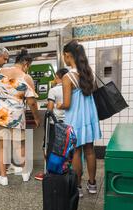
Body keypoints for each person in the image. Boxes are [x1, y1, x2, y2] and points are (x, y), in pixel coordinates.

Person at [0, 48, 41, 186]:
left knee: (1, 147)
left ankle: (3, 177)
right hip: (16, 117)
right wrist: (36, 117)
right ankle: (24, 174)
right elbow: (32, 102)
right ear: (26, 64)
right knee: (20, 146)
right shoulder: (26, 78)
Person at [58, 40, 102, 197]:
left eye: (64, 56)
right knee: (90, 151)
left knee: (76, 152)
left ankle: (78, 187)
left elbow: (67, 104)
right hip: (89, 117)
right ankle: (92, 184)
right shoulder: (88, 73)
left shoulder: (68, 77)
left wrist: (59, 105)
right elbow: (93, 94)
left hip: (76, 118)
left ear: (68, 55)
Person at [35, 67, 69, 181]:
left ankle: (49, 172)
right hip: (68, 123)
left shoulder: (53, 90)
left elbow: (50, 109)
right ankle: (64, 169)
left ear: (58, 77)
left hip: (54, 123)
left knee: (49, 147)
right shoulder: (71, 89)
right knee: (65, 147)